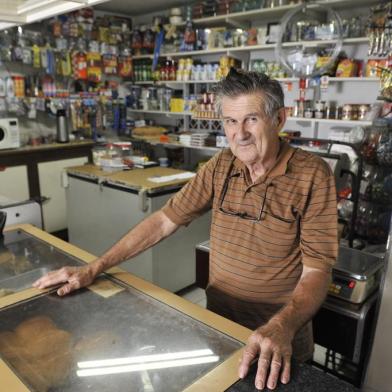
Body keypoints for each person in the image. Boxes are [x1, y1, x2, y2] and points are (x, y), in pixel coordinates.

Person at [34, 68, 338, 391]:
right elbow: (164, 221)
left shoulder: (312, 176)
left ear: (279, 119)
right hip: (220, 330)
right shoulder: (222, 166)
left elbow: (318, 271)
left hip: (276, 346)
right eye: (230, 122)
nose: (240, 134)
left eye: (251, 119)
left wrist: (281, 326)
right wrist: (96, 267)